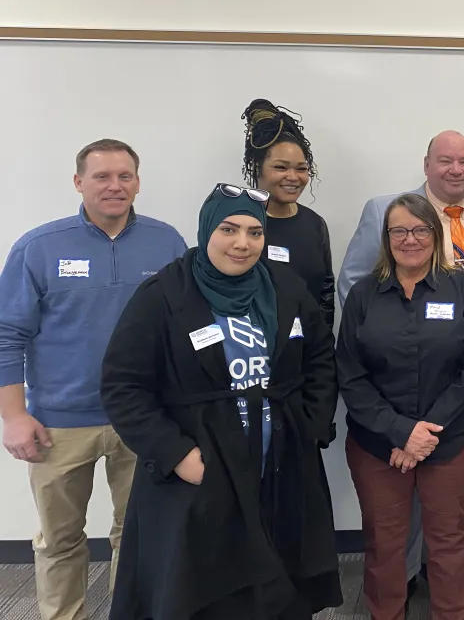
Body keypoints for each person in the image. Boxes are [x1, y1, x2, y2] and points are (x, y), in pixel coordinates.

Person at [100, 183, 341, 620]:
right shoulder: (163, 296)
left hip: (280, 465)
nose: (242, 243)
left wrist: (313, 424)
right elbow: (123, 387)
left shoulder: (284, 288)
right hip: (202, 469)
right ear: (207, 228)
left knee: (280, 584)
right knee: (206, 591)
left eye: (254, 232)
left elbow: (321, 355)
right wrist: (176, 455)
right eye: (229, 229)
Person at [0, 139, 186, 620]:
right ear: (78, 182)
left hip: (144, 418)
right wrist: (14, 415)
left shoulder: (167, 243)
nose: (114, 186)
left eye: (125, 176)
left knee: (139, 535)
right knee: (60, 540)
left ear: (138, 183)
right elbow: (7, 335)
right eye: (101, 176)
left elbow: (183, 325)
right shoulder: (39, 247)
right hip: (59, 424)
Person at [337, 129, 464, 595]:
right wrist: (401, 429)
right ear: (426, 164)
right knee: (389, 532)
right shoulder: (385, 211)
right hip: (388, 396)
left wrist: (424, 431)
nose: (456, 169)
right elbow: (353, 289)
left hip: (460, 389)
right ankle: (406, 579)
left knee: (446, 526)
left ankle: (430, 580)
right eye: (446, 160)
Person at [242, 99, 335, 330]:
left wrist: (323, 346)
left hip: (307, 349)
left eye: (301, 169)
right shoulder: (239, 221)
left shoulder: (315, 224)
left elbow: (325, 293)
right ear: (257, 167)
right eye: (281, 167)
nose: (293, 177)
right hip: (254, 349)